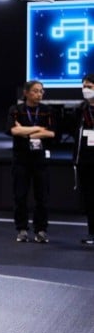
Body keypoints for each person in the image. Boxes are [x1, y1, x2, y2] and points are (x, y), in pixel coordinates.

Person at [6, 80, 56, 243]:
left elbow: (52, 133)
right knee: (20, 196)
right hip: (21, 159)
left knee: (42, 197)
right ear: (26, 93)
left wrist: (25, 131)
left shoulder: (47, 111)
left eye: (41, 91)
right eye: (35, 91)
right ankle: (22, 229)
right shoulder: (16, 110)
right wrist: (39, 129)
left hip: (40, 160)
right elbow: (13, 130)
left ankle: (41, 230)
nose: (39, 94)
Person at [73, 74, 94, 245]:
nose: (86, 90)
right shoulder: (81, 109)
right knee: (89, 198)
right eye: (84, 87)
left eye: (89, 87)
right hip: (85, 159)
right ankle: (92, 232)